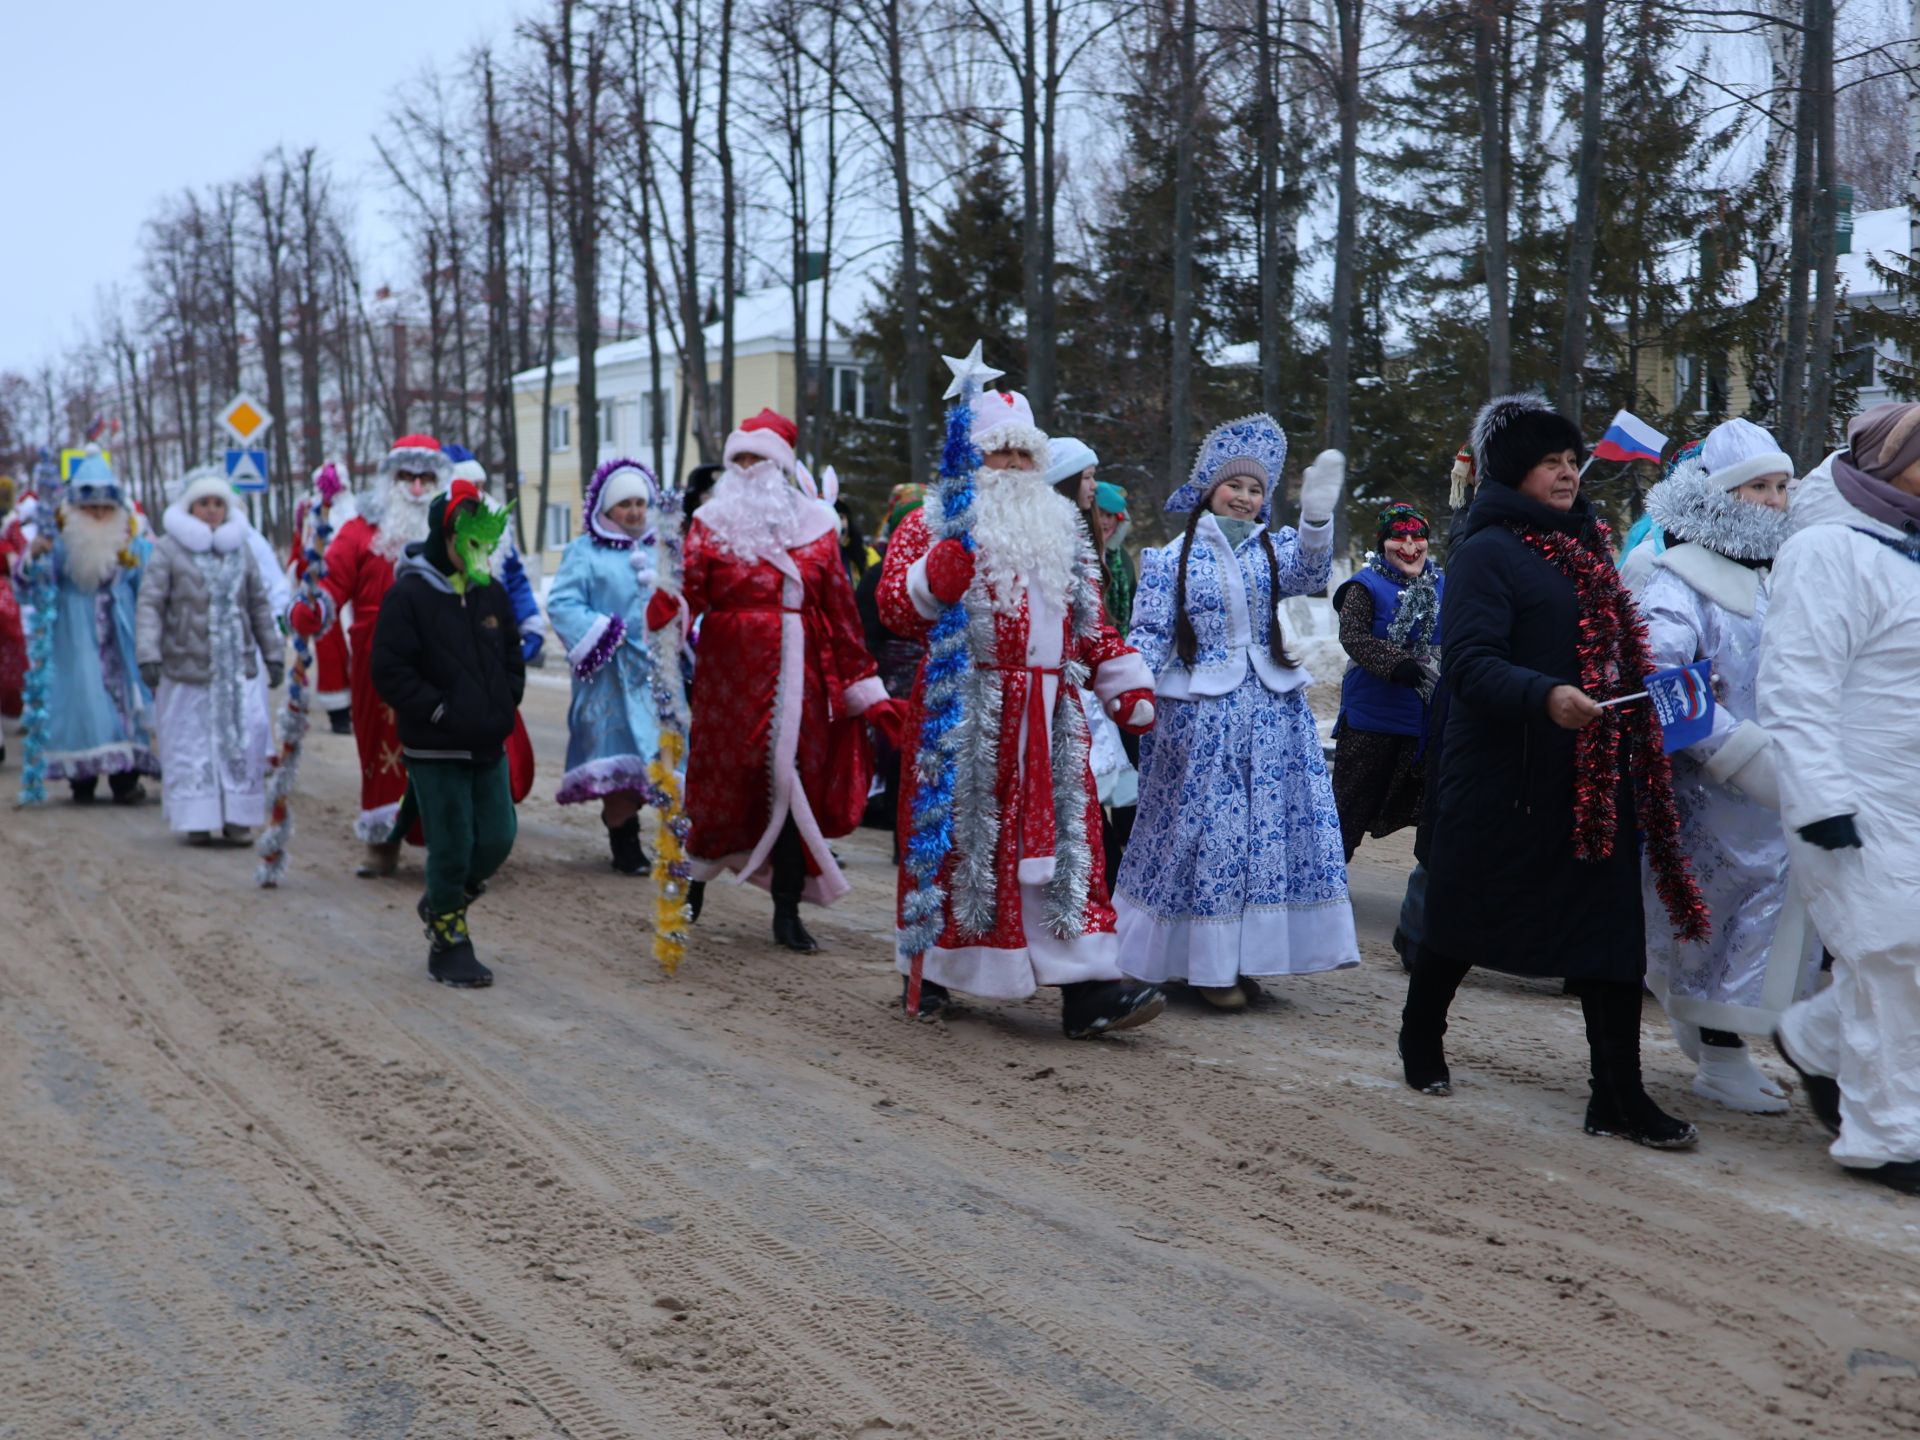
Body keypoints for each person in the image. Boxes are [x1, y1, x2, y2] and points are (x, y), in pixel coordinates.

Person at [1400, 393, 1708, 1149]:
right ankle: (1420, 1032)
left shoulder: (1586, 544)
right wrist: (1546, 696)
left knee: (1609, 935)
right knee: (1461, 917)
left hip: (1591, 772)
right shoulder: (1486, 550)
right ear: (1514, 470)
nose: (1568, 474)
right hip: (1506, 774)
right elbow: (1468, 665)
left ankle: (1618, 1097)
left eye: (1572, 461)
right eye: (1550, 462)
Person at [877, 384, 1166, 1039]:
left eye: (1021, 455)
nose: (1009, 468)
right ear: (972, 462)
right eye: (997, 455)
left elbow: (1092, 621)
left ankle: (1090, 990)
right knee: (959, 851)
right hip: (965, 711)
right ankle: (935, 968)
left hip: (1052, 714)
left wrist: (1120, 679)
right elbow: (896, 607)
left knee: (1071, 846)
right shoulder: (930, 522)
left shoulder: (1063, 529)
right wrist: (933, 577)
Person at [1114, 418, 1358, 1010]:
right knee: (1207, 837)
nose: (1246, 497)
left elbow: (1307, 577)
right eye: (1235, 486)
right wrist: (1128, 690)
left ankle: (1240, 958)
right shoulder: (1172, 557)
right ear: (1208, 488)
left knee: (1262, 837)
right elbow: (1149, 632)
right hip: (1201, 719)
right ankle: (1204, 967)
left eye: (1256, 490)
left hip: (1270, 711)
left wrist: (1316, 521)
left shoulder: (1268, 550)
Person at [653, 409, 904, 952]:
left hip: (801, 681)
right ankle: (692, 888)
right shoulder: (710, 524)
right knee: (719, 786)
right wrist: (667, 611)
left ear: (781, 465)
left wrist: (868, 691)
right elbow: (687, 595)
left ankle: (786, 910)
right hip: (728, 680)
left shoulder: (815, 525)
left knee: (795, 790)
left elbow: (841, 614)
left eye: (758, 458)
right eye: (739, 458)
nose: (747, 468)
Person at [1634, 419, 1814, 1114]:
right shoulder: (1681, 579)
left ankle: (1722, 1042)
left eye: (1780, 486)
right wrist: (1736, 753)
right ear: (1720, 496)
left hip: (1780, 790)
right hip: (1715, 795)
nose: (1773, 500)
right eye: (1757, 487)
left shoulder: (1780, 575)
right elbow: (1657, 675)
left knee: (1770, 922)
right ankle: (1719, 1050)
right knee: (1716, 919)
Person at [1762, 401, 1920, 1195]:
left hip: (1914, 794)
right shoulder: (1828, 549)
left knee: (1906, 952)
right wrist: (1820, 799)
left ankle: (1816, 1040)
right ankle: (1890, 1138)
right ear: (1891, 463)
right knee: (1892, 951)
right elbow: (1797, 684)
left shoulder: (1912, 552)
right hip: (1853, 793)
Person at [370, 478, 525, 989]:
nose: (478, 553)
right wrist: (436, 711)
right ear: (446, 538)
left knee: (498, 837)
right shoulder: (408, 595)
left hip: (487, 740)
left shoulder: (491, 592)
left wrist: (506, 700)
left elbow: (509, 655)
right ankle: (449, 939)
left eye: (486, 543)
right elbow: (390, 670)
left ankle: (443, 900)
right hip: (436, 745)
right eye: (470, 543)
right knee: (453, 842)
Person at [289, 435, 450, 874]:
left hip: (442, 658)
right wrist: (315, 606)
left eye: (425, 478)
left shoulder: (452, 528)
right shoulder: (360, 529)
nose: (416, 489)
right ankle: (384, 843)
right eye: (406, 477)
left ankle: (447, 845)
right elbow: (332, 582)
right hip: (378, 660)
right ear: (389, 479)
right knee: (381, 750)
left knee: (444, 750)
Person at [135, 471, 283, 842]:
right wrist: (148, 653)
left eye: (219, 503)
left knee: (244, 737)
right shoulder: (169, 549)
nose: (212, 510)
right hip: (187, 667)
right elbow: (150, 604)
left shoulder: (242, 548)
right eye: (205, 503)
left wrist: (273, 652)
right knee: (192, 743)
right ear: (191, 506)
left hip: (238, 668)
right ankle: (196, 817)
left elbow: (259, 605)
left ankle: (237, 817)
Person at [548, 457, 667, 876]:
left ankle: (644, 828)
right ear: (606, 508)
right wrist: (602, 633)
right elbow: (562, 603)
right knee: (617, 757)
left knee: (657, 757)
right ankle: (624, 838)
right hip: (608, 676)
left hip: (656, 676)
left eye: (641, 502)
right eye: (625, 504)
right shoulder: (585, 551)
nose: (634, 511)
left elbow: (685, 598)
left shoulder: (663, 548)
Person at [23, 445, 157, 802]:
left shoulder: (130, 542)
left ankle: (125, 778)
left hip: (120, 629)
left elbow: (148, 586)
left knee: (126, 703)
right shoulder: (60, 542)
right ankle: (81, 776)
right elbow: (32, 587)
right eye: (90, 508)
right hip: (74, 632)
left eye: (105, 508)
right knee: (82, 701)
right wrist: (35, 556)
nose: (98, 514)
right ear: (76, 508)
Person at [1332, 503, 1444, 862]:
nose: (1410, 545)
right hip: (1371, 720)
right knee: (1347, 810)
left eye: (1418, 536)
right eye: (1399, 536)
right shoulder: (1364, 586)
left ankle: (1430, 893)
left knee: (1435, 815)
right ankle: (1322, 892)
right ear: (1383, 542)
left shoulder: (1445, 584)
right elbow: (1353, 636)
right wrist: (1395, 663)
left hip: (1426, 722)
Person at [289, 466, 358, 735]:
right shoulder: (312, 515)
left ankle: (354, 706)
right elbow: (303, 552)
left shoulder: (355, 515)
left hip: (352, 594)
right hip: (326, 592)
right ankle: (339, 712)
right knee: (331, 652)